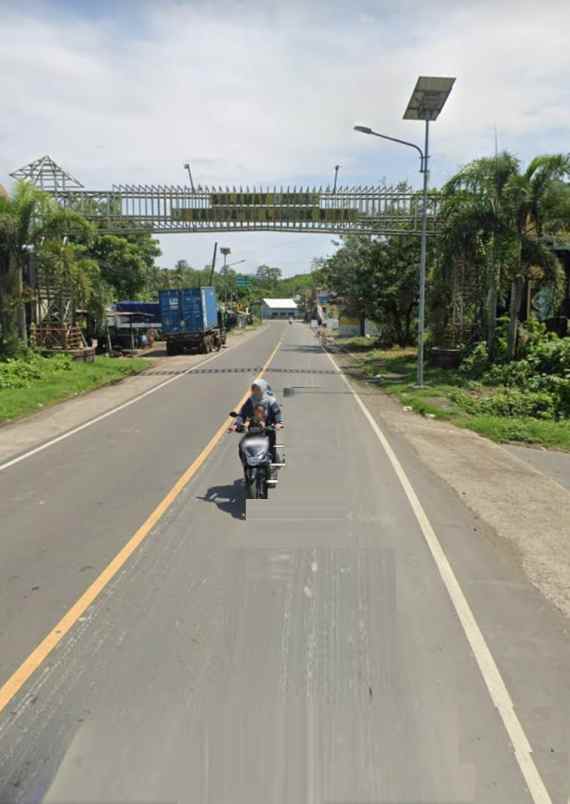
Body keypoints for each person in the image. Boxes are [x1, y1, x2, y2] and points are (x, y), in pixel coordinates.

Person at [229, 379, 284, 462]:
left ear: (263, 389)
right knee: (242, 445)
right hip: (253, 426)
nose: (255, 391)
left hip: (268, 426)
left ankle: (273, 462)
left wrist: (279, 423)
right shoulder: (250, 400)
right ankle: (246, 463)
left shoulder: (270, 400)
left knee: (271, 445)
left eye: (257, 389)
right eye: (253, 389)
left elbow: (277, 412)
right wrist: (236, 425)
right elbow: (242, 414)